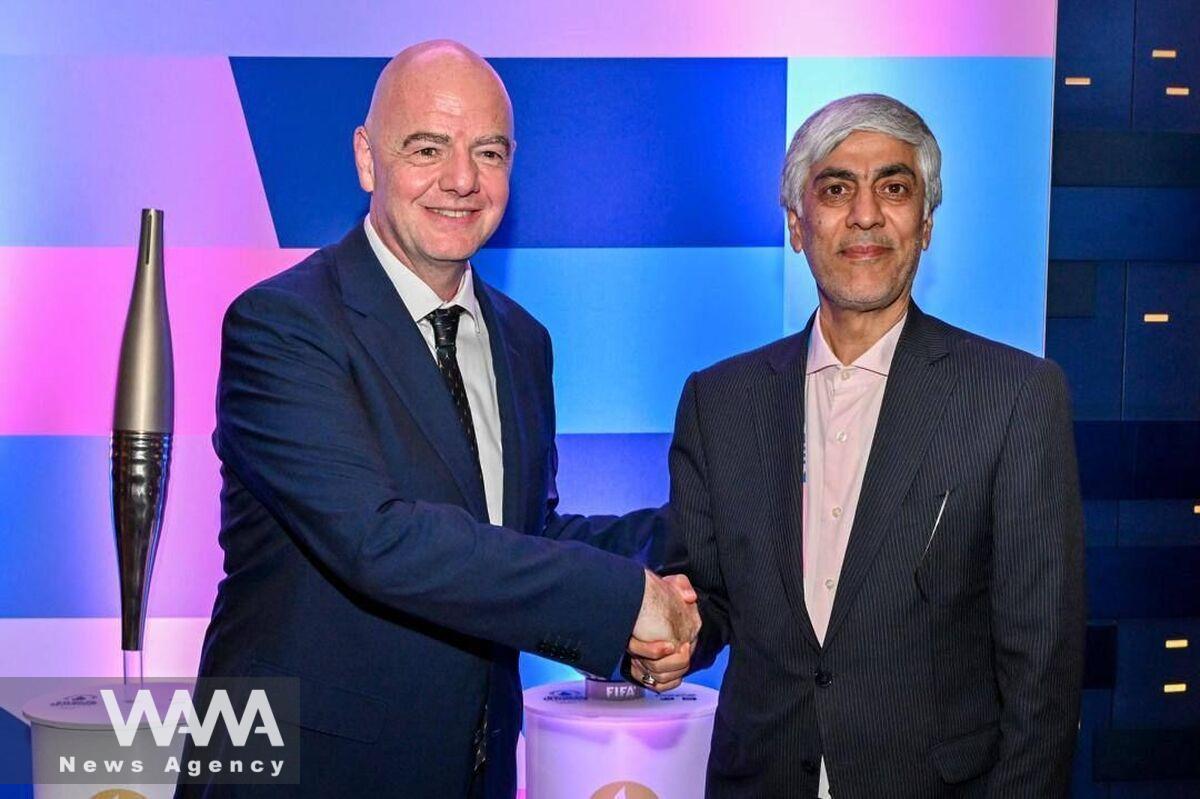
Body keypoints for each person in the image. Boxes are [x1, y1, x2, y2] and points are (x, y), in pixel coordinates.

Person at [178, 40, 697, 798]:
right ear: (367, 159)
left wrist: (708, 541)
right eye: (428, 148)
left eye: (489, 152)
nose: (462, 180)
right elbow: (379, 538)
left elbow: (517, 537)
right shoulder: (282, 325)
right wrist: (621, 601)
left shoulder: (522, 340)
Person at [641, 94, 1086, 797]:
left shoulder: (1014, 396)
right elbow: (706, 597)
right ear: (796, 223)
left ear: (927, 224)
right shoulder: (717, 400)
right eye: (837, 188)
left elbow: (1044, 670)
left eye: (895, 187)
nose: (867, 214)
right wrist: (666, 642)